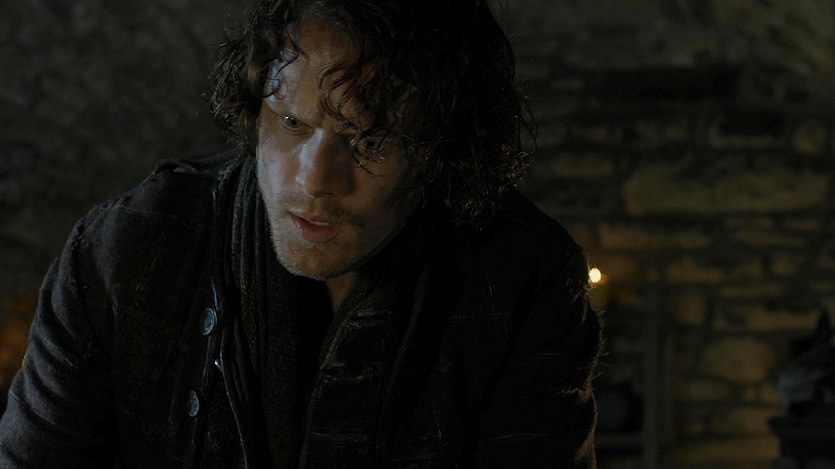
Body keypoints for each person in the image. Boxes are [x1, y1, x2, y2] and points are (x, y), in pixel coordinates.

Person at [0, 0, 602, 467]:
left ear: (439, 154)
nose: (315, 181)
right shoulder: (123, 251)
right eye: (291, 121)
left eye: (370, 140)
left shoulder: (522, 279)